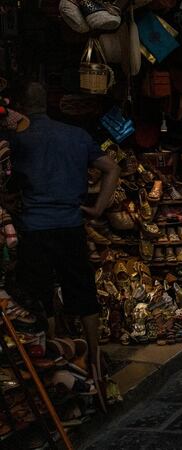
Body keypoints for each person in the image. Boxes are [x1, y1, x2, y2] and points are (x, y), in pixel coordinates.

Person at [6, 82, 120, 408]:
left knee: (40, 297)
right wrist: (98, 207)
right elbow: (112, 168)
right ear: (48, 104)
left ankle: (54, 364)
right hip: (70, 227)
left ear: (24, 107)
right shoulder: (76, 135)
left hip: (33, 230)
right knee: (83, 295)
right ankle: (95, 362)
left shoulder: (18, 138)